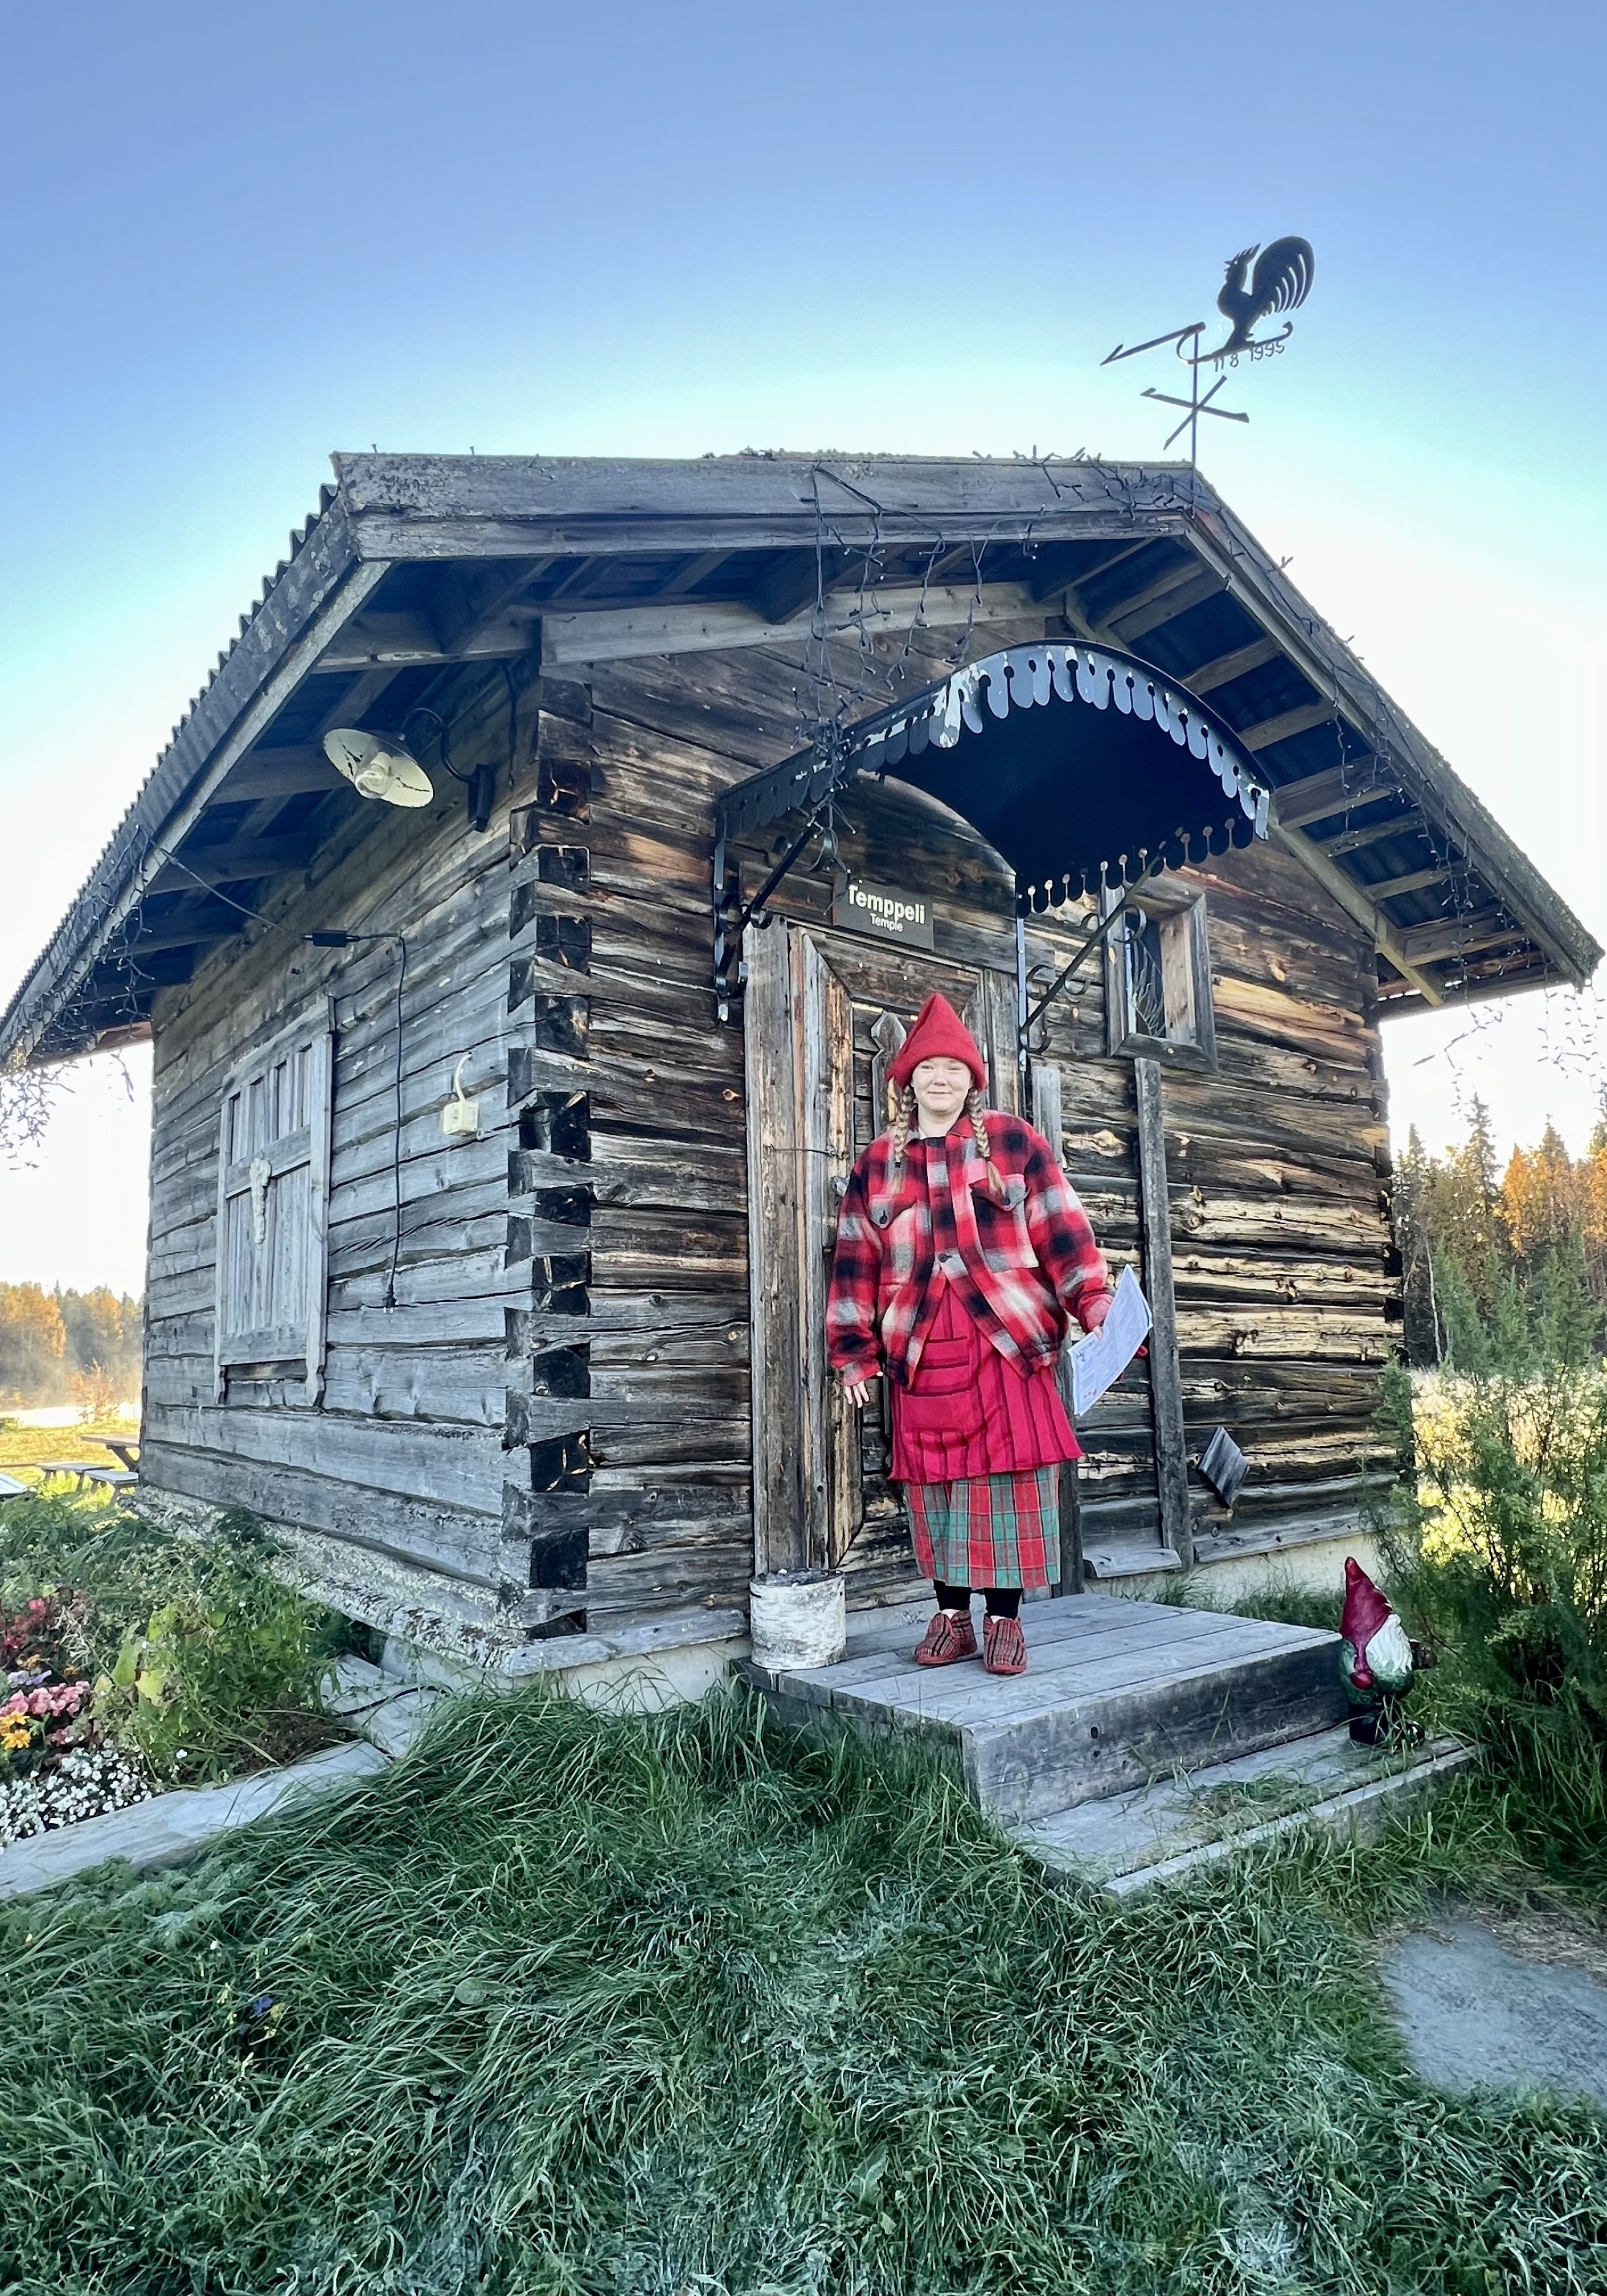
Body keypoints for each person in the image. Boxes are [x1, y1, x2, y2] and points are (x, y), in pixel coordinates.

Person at [826, 993, 1113, 1675]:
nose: (939, 1080)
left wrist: (1094, 1304)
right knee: (936, 1488)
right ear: (906, 1081)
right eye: (926, 1068)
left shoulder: (1014, 1143)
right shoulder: (877, 1164)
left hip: (1005, 1346)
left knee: (1005, 1487)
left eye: (952, 1069)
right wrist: (853, 1355)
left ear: (971, 1079)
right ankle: (951, 1617)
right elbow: (853, 1263)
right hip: (920, 1350)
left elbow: (1061, 1230)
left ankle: (1004, 1621)